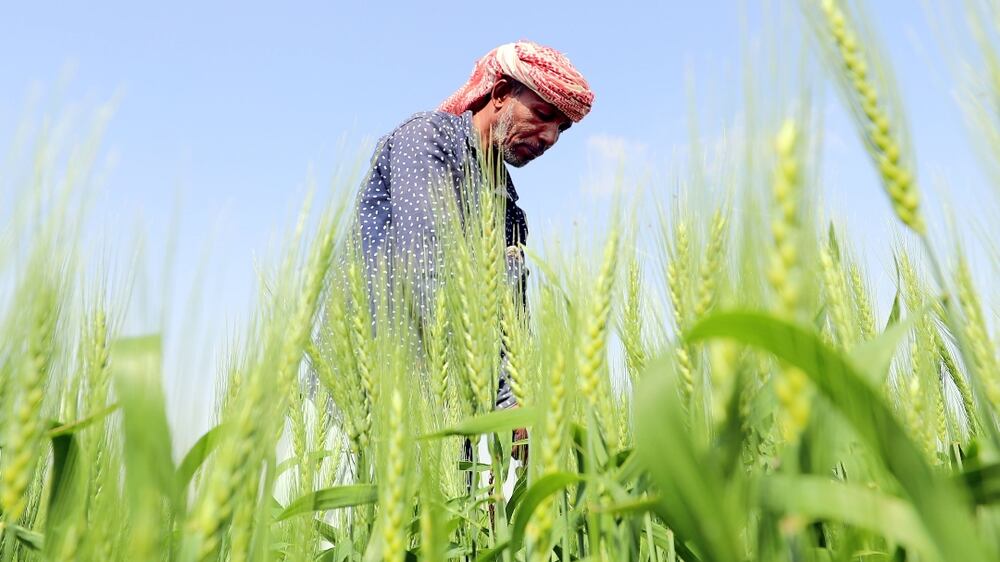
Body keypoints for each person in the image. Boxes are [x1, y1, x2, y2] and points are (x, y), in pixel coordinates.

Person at [354, 40, 594, 451]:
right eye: (543, 114)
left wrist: (521, 402)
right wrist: (507, 402)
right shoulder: (427, 143)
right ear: (499, 94)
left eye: (562, 128)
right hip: (377, 391)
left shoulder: (510, 211)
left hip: (457, 406)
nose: (552, 136)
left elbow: (513, 322)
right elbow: (426, 277)